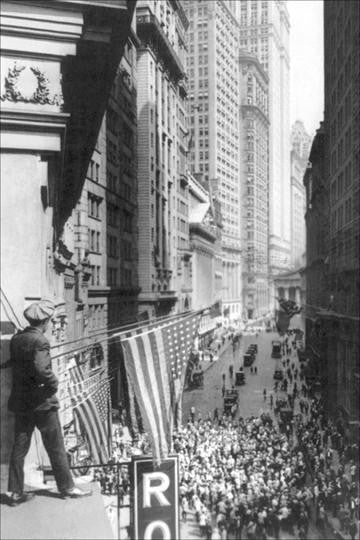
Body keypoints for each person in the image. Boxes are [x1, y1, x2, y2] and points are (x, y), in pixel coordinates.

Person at [6, 300, 92, 506]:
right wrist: (55, 382)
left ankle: (15, 492)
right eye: (50, 321)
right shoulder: (41, 341)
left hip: (22, 403)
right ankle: (67, 487)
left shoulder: (17, 339)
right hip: (42, 403)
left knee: (19, 447)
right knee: (55, 446)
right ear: (44, 321)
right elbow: (41, 369)